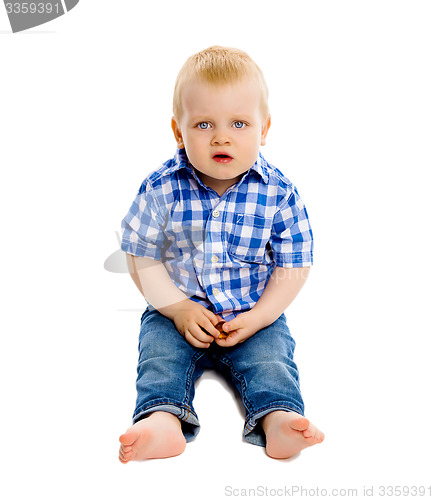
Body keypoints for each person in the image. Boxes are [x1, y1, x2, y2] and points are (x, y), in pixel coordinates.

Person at [118, 45, 324, 462]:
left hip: (251, 310)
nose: (222, 136)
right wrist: (176, 308)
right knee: (159, 356)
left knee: (271, 359)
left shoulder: (277, 192)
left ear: (264, 129)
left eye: (240, 123)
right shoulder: (161, 187)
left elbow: (294, 262)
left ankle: (279, 418)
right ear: (179, 131)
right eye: (204, 123)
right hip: (175, 310)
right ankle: (162, 420)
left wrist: (261, 316)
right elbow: (141, 255)